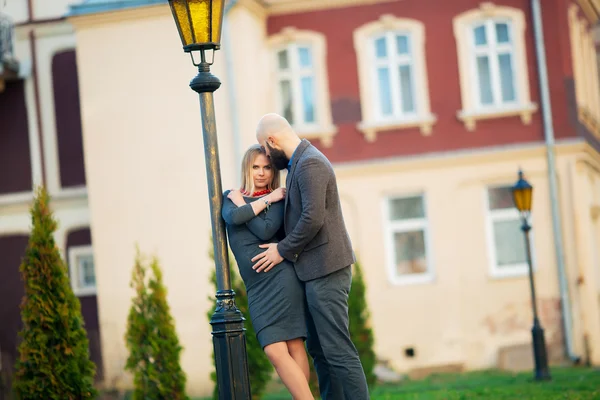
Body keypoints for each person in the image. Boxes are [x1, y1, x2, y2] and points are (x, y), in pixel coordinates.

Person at [251, 113, 370, 399]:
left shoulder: (310, 164)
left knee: (337, 351)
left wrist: (281, 250)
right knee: (322, 352)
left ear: (272, 141)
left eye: (266, 150)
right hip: (315, 271)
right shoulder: (298, 165)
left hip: (327, 270)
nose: (267, 156)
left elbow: (312, 219)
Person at [221, 144, 314, 400]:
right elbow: (233, 218)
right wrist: (260, 201)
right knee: (274, 350)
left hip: (281, 278)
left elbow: (264, 230)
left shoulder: (279, 200)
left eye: (267, 167)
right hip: (257, 288)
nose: (261, 173)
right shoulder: (230, 196)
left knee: (293, 345)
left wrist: (267, 199)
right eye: (256, 167)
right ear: (247, 168)